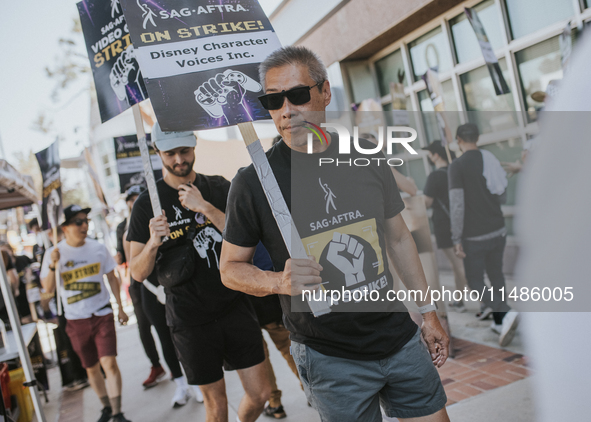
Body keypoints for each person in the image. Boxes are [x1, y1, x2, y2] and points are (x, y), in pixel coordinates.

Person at [220, 45, 450, 422]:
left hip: (398, 335)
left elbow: (397, 238)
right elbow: (230, 268)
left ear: (325, 92)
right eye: (273, 100)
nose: (286, 110)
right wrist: (279, 281)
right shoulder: (253, 182)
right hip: (329, 355)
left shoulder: (365, 156)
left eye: (297, 95)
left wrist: (428, 313)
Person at [127, 123, 271, 422]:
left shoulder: (219, 187)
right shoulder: (146, 205)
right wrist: (153, 242)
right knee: (216, 409)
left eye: (184, 151)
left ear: (194, 145)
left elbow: (249, 238)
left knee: (260, 395)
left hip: (234, 306)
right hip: (189, 318)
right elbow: (138, 273)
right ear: (157, 153)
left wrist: (204, 207)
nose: (179, 160)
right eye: (170, 154)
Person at [40, 205, 131, 422]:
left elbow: (112, 277)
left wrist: (120, 307)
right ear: (65, 228)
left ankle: (118, 412)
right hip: (75, 319)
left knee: (109, 362)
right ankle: (106, 407)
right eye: (78, 222)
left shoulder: (98, 248)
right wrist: (53, 265)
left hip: (101, 314)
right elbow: (48, 289)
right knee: (91, 368)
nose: (84, 225)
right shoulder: (54, 253)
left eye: (86, 220)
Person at [117, 185, 192, 407]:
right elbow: (132, 261)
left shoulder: (165, 215)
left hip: (171, 284)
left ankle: (195, 382)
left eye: (136, 198)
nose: (134, 202)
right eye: (130, 199)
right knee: (163, 335)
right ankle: (180, 383)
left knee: (184, 335)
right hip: (148, 289)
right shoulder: (127, 227)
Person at [449, 123, 519, 346]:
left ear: (459, 140)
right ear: (477, 138)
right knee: (496, 275)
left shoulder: (456, 167)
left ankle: (505, 312)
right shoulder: (490, 159)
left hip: (474, 236)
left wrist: (456, 238)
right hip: (498, 230)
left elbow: (457, 205)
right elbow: (501, 197)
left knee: (474, 281)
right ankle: (500, 321)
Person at [421, 141, 468, 312]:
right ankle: (459, 301)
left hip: (445, 225)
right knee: (458, 265)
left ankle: (487, 302)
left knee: (460, 266)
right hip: (463, 222)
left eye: (430, 153)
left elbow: (427, 202)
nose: (429, 157)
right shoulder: (457, 170)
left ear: (436, 155)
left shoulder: (435, 176)